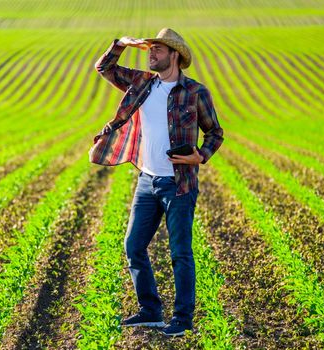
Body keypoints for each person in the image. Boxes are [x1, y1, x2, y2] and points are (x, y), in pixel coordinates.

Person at [88, 28, 224, 337]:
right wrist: (121, 44)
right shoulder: (141, 83)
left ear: (174, 55)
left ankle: (183, 317)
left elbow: (215, 132)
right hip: (147, 180)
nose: (151, 54)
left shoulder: (195, 92)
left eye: (158, 50)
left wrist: (200, 157)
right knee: (134, 245)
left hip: (179, 184)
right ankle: (150, 310)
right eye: (150, 49)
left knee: (180, 252)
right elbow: (104, 68)